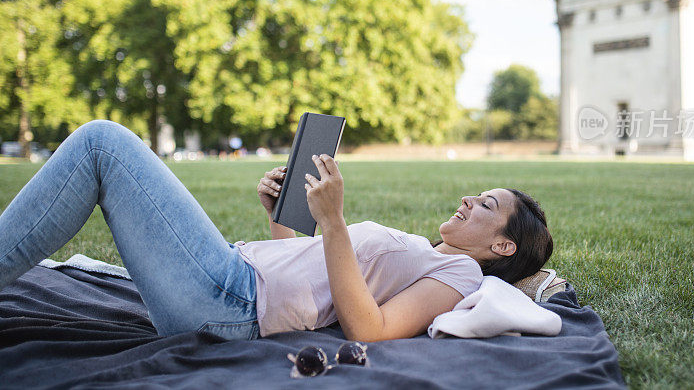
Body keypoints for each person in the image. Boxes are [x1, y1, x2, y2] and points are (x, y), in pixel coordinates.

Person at [0, 120, 553, 342]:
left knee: (103, 143)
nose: (466, 199)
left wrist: (334, 221)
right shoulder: (423, 251)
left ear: (502, 245)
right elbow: (312, 288)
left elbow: (370, 329)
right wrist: (282, 220)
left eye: (485, 203)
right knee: (104, 146)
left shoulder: (457, 272)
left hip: (228, 300)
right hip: (230, 281)